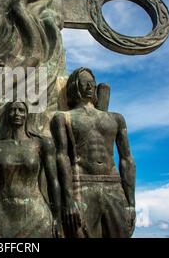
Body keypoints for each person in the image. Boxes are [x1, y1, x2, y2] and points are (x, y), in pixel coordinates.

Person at [50, 68, 136, 237]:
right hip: (80, 184)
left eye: (92, 82)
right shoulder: (63, 118)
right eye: (84, 82)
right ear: (75, 86)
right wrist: (68, 200)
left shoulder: (116, 119)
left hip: (113, 185)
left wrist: (131, 203)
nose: (90, 86)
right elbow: (62, 157)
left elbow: (127, 160)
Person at [0, 101, 63, 238]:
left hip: (37, 213)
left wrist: (57, 218)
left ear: (27, 114)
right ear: (7, 115)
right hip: (2, 215)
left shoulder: (42, 144)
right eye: (12, 110)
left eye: (21, 110)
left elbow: (53, 181)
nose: (17, 113)